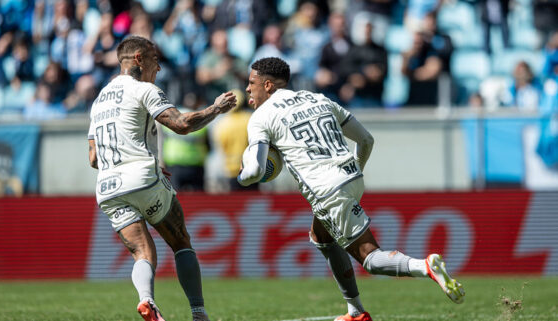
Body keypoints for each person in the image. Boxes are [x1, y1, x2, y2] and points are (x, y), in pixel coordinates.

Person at [238, 57, 464, 321]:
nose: (246, 89)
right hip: (351, 176)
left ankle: (424, 266)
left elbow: (254, 171)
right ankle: (355, 311)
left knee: (370, 258)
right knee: (321, 235)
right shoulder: (318, 99)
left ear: (267, 85)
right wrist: (352, 171)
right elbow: (366, 139)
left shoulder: (260, 117)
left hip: (326, 190)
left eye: (251, 83)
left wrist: (241, 176)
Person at [87, 35, 237, 321]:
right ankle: (199, 313)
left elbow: (93, 158)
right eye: (155, 60)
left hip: (107, 187)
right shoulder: (144, 89)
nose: (159, 68)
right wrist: (215, 109)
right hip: (143, 178)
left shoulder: (98, 102)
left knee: (142, 252)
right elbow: (180, 124)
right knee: (180, 240)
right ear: (139, 59)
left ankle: (147, 301)